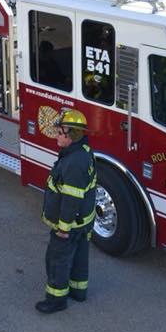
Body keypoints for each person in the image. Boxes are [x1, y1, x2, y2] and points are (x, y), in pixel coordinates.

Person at [35, 109, 97, 314]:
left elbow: (71, 200)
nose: (57, 135)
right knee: (79, 257)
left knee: (57, 259)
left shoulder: (74, 163)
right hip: (82, 222)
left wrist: (63, 228)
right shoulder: (82, 152)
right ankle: (78, 291)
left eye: (60, 132)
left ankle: (56, 300)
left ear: (73, 135)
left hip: (70, 224)